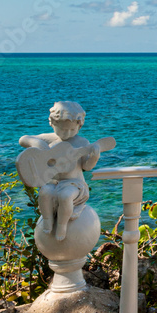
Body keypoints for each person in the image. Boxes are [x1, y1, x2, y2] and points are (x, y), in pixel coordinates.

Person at [18, 101, 101, 241]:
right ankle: (47, 220)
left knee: (65, 196)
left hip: (74, 184)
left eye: (72, 130)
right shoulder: (49, 138)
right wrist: (37, 143)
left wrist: (94, 157)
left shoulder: (82, 143)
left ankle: (62, 225)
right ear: (52, 123)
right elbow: (23, 139)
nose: (67, 133)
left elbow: (87, 166)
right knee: (44, 192)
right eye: (62, 129)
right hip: (52, 181)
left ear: (79, 126)